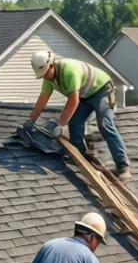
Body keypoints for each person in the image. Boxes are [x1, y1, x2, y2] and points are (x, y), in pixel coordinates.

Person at [26, 50, 131, 180]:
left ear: (52, 65)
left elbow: (73, 101)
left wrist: (60, 125)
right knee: (75, 124)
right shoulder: (48, 79)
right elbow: (42, 100)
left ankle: (123, 166)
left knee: (105, 124)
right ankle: (81, 156)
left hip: (102, 90)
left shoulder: (69, 71)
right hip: (85, 95)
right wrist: (31, 120)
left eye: (46, 73)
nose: (45, 77)